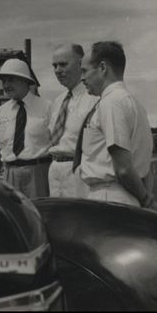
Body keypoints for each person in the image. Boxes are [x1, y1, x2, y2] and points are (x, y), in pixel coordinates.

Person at [76, 41, 157, 210]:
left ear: (103, 67)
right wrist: (145, 196)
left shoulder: (112, 102)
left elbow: (124, 168)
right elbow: (145, 165)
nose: (82, 78)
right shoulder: (135, 104)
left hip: (110, 196)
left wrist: (146, 200)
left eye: (84, 71)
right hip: (126, 195)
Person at [0, 58, 52, 199]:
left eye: (11, 80)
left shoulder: (47, 107)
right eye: (4, 81)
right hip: (9, 174)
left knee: (39, 214)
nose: (6, 85)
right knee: (14, 216)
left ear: (25, 81)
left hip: (38, 173)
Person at [48, 44, 98, 198]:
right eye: (54, 66)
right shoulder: (57, 101)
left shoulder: (94, 98)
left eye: (63, 64)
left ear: (80, 64)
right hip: (55, 170)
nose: (57, 70)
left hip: (79, 170)